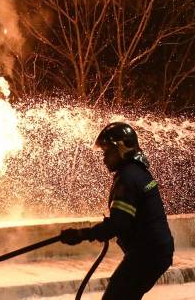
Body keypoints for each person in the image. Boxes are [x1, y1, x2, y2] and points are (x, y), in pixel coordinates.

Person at [60, 122, 175, 299]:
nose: (104, 158)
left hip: (147, 253)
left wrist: (81, 234)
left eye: (107, 152)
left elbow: (118, 224)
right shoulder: (138, 172)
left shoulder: (128, 178)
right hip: (156, 251)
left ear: (122, 148)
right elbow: (127, 219)